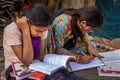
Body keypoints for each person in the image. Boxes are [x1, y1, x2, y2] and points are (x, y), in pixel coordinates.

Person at [2, 3, 51, 80]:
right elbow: (27, 61)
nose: (41, 35)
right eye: (38, 31)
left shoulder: (42, 28)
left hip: (37, 65)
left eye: (44, 31)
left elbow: (40, 54)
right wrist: (25, 31)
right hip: (15, 68)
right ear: (27, 23)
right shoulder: (12, 30)